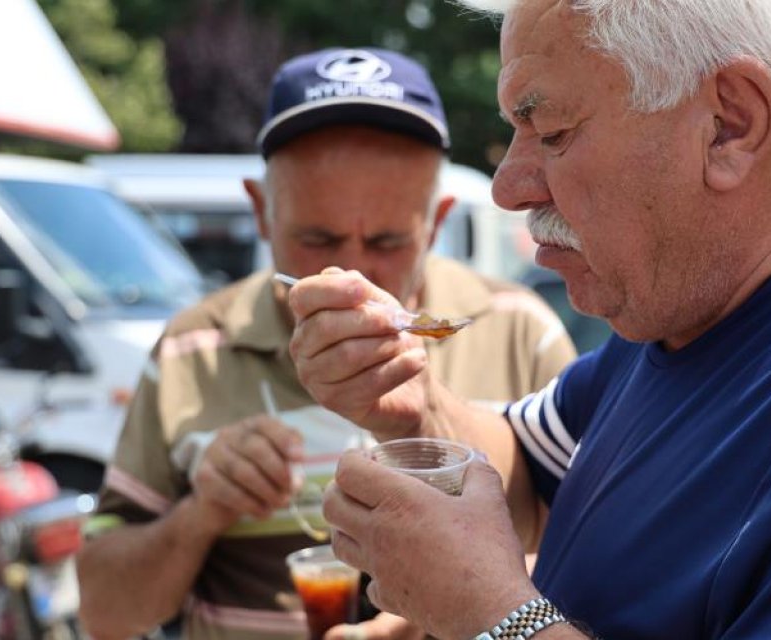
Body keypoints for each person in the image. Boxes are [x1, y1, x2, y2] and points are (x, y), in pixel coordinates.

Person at [285, 2, 771, 639]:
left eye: (552, 131)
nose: (511, 185)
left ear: (730, 123)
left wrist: (493, 618)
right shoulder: (695, 306)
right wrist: (408, 399)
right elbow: (524, 477)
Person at [76, 47, 576, 640]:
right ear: (262, 212)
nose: (351, 278)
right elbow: (104, 611)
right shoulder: (194, 347)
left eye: (388, 242)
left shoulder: (517, 330)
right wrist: (202, 512)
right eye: (318, 239)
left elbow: (586, 547)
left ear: (436, 222)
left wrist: (449, 605)